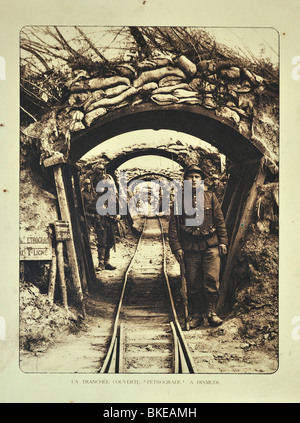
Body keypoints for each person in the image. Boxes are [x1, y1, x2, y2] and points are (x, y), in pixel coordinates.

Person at [168, 164, 228, 328]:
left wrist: (223, 241)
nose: (193, 180)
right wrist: (176, 247)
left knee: (212, 280)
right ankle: (196, 315)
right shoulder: (179, 200)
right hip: (190, 248)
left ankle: (211, 314)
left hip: (211, 246)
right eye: (190, 177)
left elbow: (220, 221)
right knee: (193, 283)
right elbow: (173, 227)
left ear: (201, 180)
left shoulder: (211, 197)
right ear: (185, 180)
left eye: (197, 177)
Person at [83, 164, 120, 271]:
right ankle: (101, 263)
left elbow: (121, 210)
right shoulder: (99, 198)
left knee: (109, 243)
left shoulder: (114, 198)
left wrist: (119, 216)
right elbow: (90, 209)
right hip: (102, 223)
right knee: (102, 243)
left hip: (111, 224)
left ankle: (107, 262)